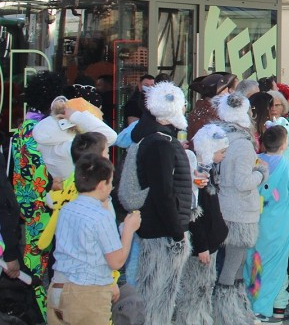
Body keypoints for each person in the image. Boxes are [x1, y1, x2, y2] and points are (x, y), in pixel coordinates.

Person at [48, 155, 140, 325]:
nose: (112, 187)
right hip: (86, 294)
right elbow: (116, 261)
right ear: (101, 185)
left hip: (57, 288)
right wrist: (128, 230)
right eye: (110, 182)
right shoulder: (101, 215)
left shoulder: (66, 209)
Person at [134, 82, 193, 325]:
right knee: (159, 297)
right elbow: (162, 191)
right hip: (164, 232)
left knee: (158, 295)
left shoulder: (155, 138)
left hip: (160, 228)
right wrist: (177, 231)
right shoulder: (160, 143)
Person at [246, 125, 289, 323]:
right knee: (274, 269)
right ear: (284, 144)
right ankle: (260, 310)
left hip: (256, 221)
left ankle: (251, 303)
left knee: (254, 264)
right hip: (280, 226)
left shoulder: (256, 161)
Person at [213, 92, 268, 325]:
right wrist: (261, 172)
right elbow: (243, 182)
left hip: (222, 208)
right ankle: (227, 315)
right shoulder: (243, 145)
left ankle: (234, 313)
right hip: (240, 213)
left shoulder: (217, 136)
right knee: (232, 271)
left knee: (229, 268)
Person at [175, 125, 230, 325]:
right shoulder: (199, 173)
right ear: (209, 150)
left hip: (209, 241)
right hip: (203, 245)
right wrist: (202, 246)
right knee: (196, 288)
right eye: (222, 151)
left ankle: (200, 318)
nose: (224, 155)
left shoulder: (206, 169)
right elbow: (194, 215)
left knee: (204, 287)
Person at [33, 96, 117, 184]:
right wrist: (76, 116)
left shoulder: (47, 140)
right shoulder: (72, 147)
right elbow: (110, 136)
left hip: (60, 193)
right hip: (80, 192)